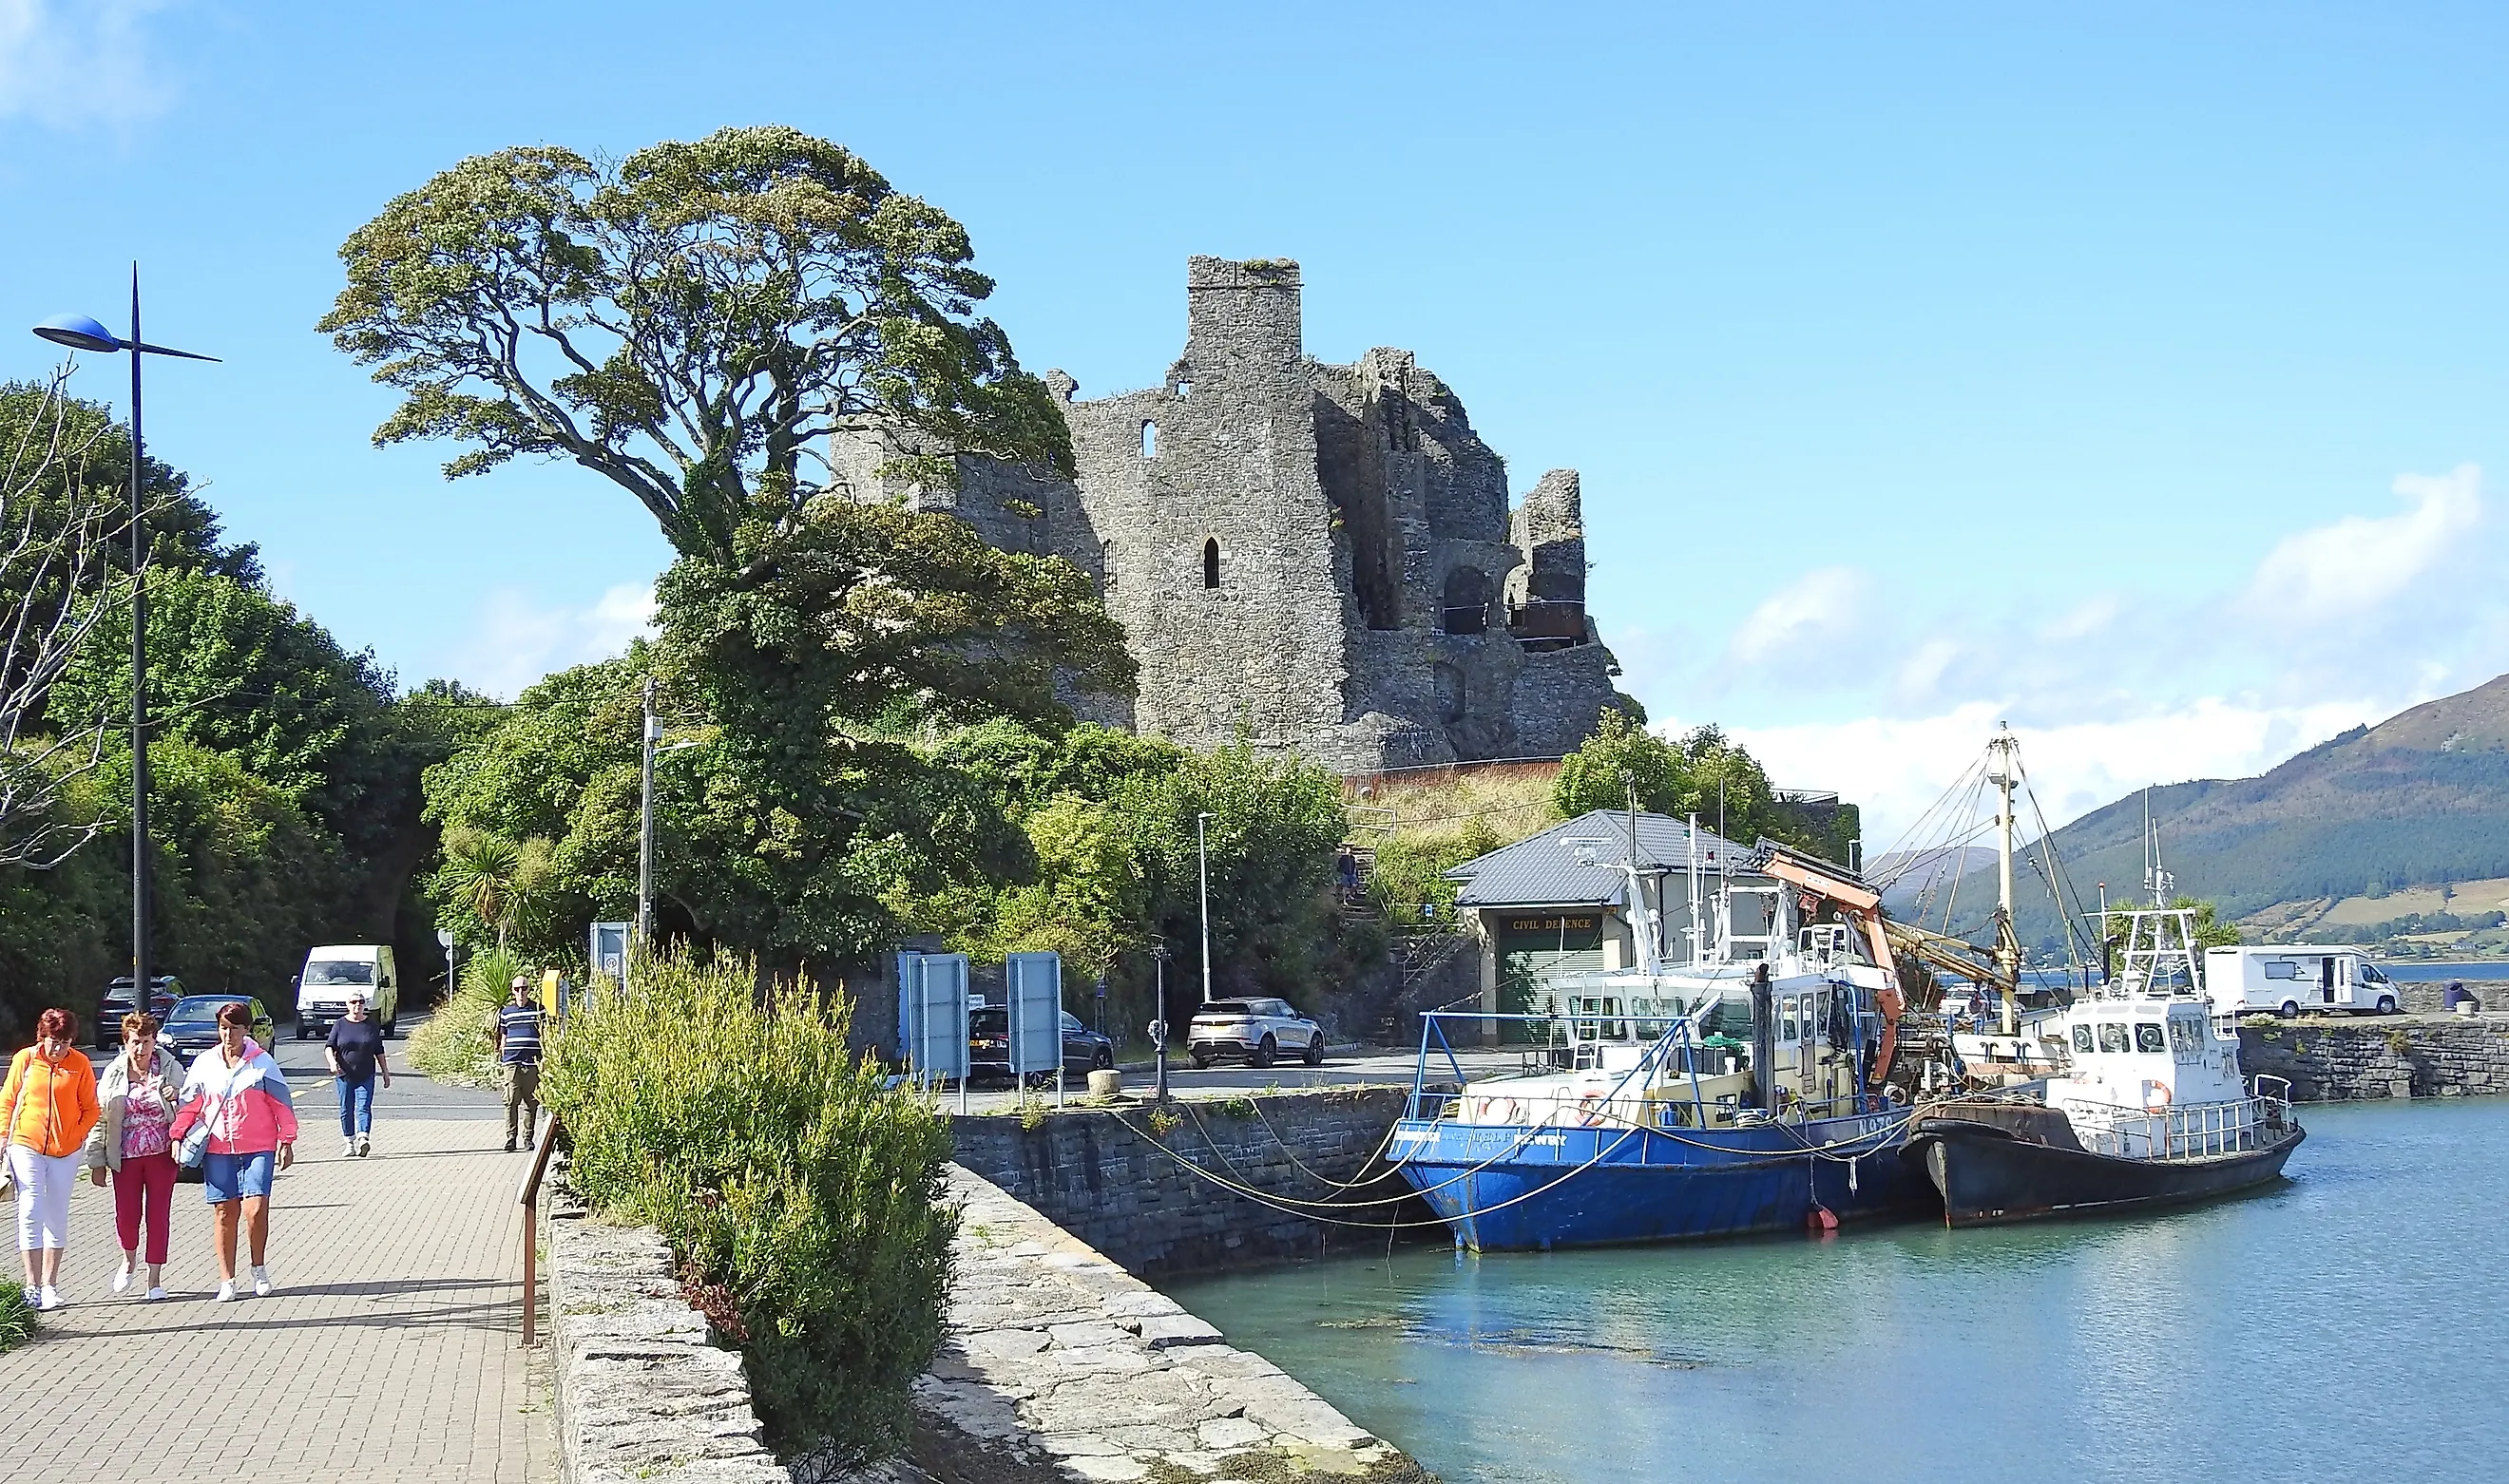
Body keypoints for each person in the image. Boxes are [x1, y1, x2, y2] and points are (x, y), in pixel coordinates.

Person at [171, 1000, 297, 1302]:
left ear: (247, 1030)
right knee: (224, 1212)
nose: (228, 1035)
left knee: (255, 1210)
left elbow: (282, 1104)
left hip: (258, 1147)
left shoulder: (262, 1062)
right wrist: (177, 1135)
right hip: (217, 1147)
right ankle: (227, 1280)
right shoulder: (205, 1063)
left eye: (235, 1029)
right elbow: (190, 1105)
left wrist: (287, 1140)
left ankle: (258, 1267)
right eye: (223, 1029)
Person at [84, 1013, 183, 1302]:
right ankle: (128, 1260)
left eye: (147, 1042)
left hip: (162, 1154)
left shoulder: (169, 1067)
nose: (141, 1049)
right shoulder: (114, 1074)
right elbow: (100, 1119)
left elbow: (191, 1101)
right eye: (135, 1042)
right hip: (125, 1155)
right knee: (127, 1216)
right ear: (125, 1042)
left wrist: (175, 1094)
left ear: (155, 1042)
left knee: (158, 1215)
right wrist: (96, 1161)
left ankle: (154, 1280)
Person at [4, 1009, 99, 1310]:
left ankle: (50, 1285)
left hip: (65, 1150)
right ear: (41, 1037)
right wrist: (3, 1137)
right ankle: (31, 1285)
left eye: (64, 1042)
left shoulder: (80, 1064)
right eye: (52, 1041)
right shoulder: (26, 1060)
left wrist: (76, 1134)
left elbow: (91, 1109)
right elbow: (7, 1101)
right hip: (25, 1142)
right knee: (31, 1206)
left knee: (57, 1213)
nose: (57, 1049)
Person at [324, 992, 393, 1157]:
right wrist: (332, 1063)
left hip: (366, 1074)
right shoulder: (340, 1024)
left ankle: (363, 1138)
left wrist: (385, 1072)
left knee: (363, 1107)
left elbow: (379, 1050)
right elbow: (329, 1047)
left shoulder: (371, 1025)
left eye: (361, 1002)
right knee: (346, 1109)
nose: (357, 1005)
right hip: (344, 1075)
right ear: (348, 1004)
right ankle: (349, 1143)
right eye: (354, 1002)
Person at [495, 975, 546, 1153]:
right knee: (510, 1100)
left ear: (529, 989)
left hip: (532, 1062)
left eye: (524, 988)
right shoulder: (506, 1012)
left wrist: (545, 1059)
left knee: (531, 1102)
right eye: (517, 989)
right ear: (512, 991)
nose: (520, 992)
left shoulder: (539, 1009)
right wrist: (502, 1055)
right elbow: (503, 1035)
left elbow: (545, 1034)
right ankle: (511, 1138)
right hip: (512, 1062)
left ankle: (528, 1138)